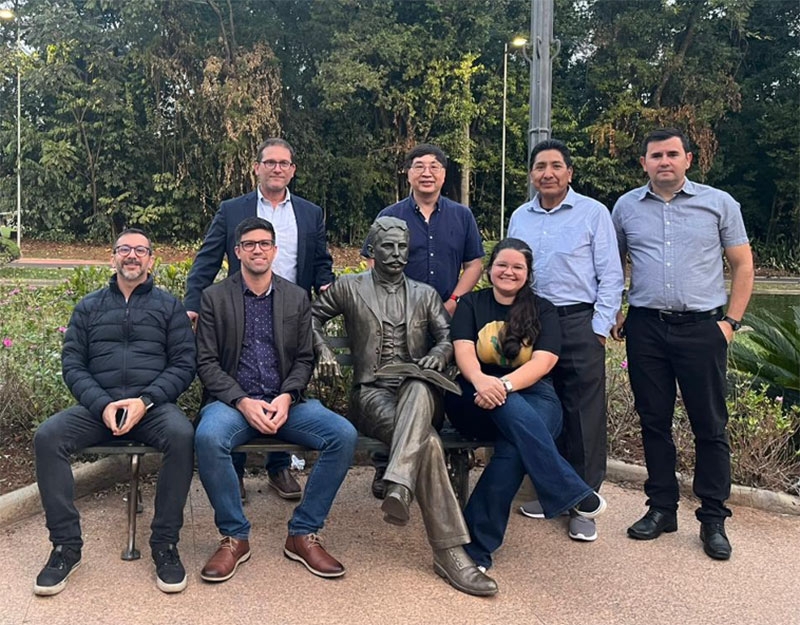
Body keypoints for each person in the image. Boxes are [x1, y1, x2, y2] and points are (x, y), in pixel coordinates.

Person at [312, 216, 498, 597]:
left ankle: (398, 481)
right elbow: (309, 318)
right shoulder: (349, 288)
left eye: (402, 248)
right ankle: (450, 553)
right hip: (372, 394)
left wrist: (437, 354)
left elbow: (448, 337)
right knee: (427, 443)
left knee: (417, 381)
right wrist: (324, 350)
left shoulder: (425, 294)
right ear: (372, 250)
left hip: (423, 393)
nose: (397, 254)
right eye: (388, 247)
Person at [611, 127, 754, 560]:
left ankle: (713, 518)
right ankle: (661, 508)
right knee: (653, 421)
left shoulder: (719, 204)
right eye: (656, 156)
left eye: (672, 154)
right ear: (644, 163)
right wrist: (615, 309)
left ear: (688, 159)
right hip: (646, 328)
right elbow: (611, 260)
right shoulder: (626, 208)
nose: (664, 162)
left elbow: (743, 264)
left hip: (702, 329)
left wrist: (730, 322)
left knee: (709, 425)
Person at [33, 229, 196, 596]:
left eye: (140, 250)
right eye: (125, 250)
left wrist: (146, 401)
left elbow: (185, 364)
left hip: (151, 408)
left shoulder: (169, 307)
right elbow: (73, 364)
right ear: (113, 258)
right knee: (48, 436)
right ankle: (65, 547)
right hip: (98, 409)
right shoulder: (88, 307)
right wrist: (102, 404)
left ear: (151, 259)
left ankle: (165, 545)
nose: (132, 256)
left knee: (183, 436)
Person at [194, 217, 357, 582]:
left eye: (264, 243)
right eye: (249, 244)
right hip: (233, 405)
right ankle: (234, 537)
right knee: (208, 437)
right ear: (236, 252)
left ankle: (303, 532)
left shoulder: (296, 297)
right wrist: (241, 401)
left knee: (342, 434)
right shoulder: (215, 298)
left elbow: (304, 358)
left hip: (289, 404)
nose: (257, 250)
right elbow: (205, 362)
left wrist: (286, 396)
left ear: (274, 250)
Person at [185, 138, 335, 502]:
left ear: (293, 170)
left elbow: (319, 263)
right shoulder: (232, 209)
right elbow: (207, 260)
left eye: (284, 163)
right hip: (239, 305)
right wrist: (193, 304)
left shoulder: (310, 213)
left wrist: (331, 292)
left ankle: (278, 466)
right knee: (244, 372)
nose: (277, 169)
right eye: (270, 162)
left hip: (289, 309)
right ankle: (232, 474)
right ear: (257, 167)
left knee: (280, 380)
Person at [443, 238, 607, 570]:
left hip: (531, 393)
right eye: (502, 264)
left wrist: (502, 385)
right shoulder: (472, 303)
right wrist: (481, 381)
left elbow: (543, 362)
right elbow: (463, 352)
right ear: (490, 269)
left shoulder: (543, 309)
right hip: (473, 394)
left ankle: (476, 548)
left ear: (528, 274)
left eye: (518, 267)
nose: (509, 272)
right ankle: (569, 489)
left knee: (515, 447)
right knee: (515, 425)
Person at [507, 139, 623, 542]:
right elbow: (511, 269)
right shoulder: (520, 216)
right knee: (544, 409)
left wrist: (598, 326)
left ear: (569, 172)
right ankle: (555, 492)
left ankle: (584, 502)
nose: (548, 173)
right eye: (540, 166)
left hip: (577, 322)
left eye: (556, 165)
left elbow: (611, 274)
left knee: (582, 415)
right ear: (532, 174)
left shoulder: (593, 213)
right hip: (532, 323)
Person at [361, 143, 484, 499]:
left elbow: (473, 263)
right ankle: (386, 463)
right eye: (419, 166)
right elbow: (372, 261)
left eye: (434, 166)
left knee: (440, 380)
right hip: (399, 316)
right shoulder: (391, 213)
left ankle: (432, 457)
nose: (426, 172)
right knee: (396, 380)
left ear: (444, 174)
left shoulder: (462, 216)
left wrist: (454, 301)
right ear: (408, 173)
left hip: (447, 313)